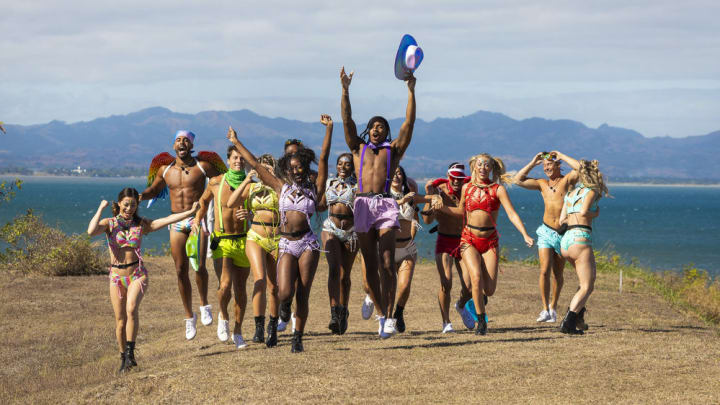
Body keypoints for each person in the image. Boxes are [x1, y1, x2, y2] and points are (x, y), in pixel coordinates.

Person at [227, 114, 332, 352]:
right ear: (287, 169)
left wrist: (329, 129)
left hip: (307, 244)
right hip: (285, 243)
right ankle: (284, 309)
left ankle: (297, 337)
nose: (295, 171)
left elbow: (324, 157)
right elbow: (254, 164)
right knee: (284, 292)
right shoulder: (280, 187)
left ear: (305, 167)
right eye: (291, 168)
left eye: (299, 167)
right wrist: (236, 141)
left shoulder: (315, 188)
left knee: (303, 295)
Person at [339, 66, 418, 338]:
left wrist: (411, 91)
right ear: (368, 131)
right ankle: (382, 314)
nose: (377, 129)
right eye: (373, 126)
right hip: (361, 206)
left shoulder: (392, 151)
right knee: (370, 265)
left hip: (385, 204)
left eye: (381, 126)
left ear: (386, 132)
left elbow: (409, 124)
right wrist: (345, 90)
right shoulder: (357, 148)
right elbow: (347, 121)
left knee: (387, 261)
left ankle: (391, 316)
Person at [87, 188, 198, 373]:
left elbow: (164, 221)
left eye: (133, 205)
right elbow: (91, 231)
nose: (129, 208)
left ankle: (131, 352)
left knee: (131, 309)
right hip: (116, 278)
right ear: (120, 203)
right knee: (120, 320)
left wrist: (190, 213)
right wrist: (101, 208)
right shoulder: (110, 224)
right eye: (126, 204)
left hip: (138, 274)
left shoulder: (140, 224)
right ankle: (124, 358)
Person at [140, 130, 225, 340]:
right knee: (180, 270)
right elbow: (153, 190)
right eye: (178, 140)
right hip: (176, 221)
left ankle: (204, 303)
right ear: (173, 146)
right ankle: (189, 317)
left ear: (191, 144)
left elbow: (222, 184)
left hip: (198, 219)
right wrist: (138, 197)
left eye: (186, 140)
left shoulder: (202, 167)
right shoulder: (165, 170)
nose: (182, 142)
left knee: (199, 265)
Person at [441, 153, 534, 335]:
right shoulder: (466, 188)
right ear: (474, 166)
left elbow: (512, 213)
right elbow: (461, 211)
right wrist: (442, 208)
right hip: (468, 239)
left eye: (487, 165)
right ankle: (481, 321)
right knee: (475, 278)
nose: (483, 168)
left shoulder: (498, 189)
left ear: (492, 168)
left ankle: (477, 299)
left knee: (489, 290)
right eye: (480, 164)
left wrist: (525, 234)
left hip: (490, 241)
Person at [193, 146, 252, 349]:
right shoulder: (216, 182)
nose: (239, 161)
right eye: (235, 158)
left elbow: (261, 210)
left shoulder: (251, 184)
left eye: (242, 158)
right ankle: (223, 317)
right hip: (222, 240)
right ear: (228, 160)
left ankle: (238, 331)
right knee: (225, 285)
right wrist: (198, 219)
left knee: (241, 290)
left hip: (244, 240)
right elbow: (203, 201)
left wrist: (250, 216)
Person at [514, 151, 580, 323]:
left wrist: (561, 155)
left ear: (558, 165)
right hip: (545, 231)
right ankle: (544, 309)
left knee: (558, 273)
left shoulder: (567, 181)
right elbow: (517, 180)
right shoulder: (541, 183)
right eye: (544, 166)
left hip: (562, 233)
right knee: (544, 270)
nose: (546, 168)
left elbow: (579, 168)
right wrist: (532, 161)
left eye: (549, 165)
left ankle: (553, 306)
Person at [226, 154, 282, 347]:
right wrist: (247, 180)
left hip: (276, 237)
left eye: (268, 169)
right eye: (261, 169)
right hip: (256, 236)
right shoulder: (251, 187)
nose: (264, 173)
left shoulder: (280, 187)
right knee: (259, 280)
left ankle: (272, 326)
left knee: (274, 286)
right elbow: (231, 202)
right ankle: (259, 326)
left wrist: (276, 179)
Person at [558, 160, 609, 334]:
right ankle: (568, 322)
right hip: (580, 238)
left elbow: (561, 221)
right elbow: (584, 212)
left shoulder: (571, 193)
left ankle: (578, 315)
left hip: (566, 241)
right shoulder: (591, 191)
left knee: (585, 281)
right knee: (587, 285)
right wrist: (596, 213)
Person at [423, 162, 474, 332]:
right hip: (444, 239)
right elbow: (427, 221)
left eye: (460, 178)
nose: (457, 182)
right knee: (446, 283)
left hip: (463, 240)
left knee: (469, 286)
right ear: (448, 176)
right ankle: (446, 322)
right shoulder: (439, 191)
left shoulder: (467, 190)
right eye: (454, 178)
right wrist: (430, 197)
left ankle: (460, 305)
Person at [318, 153, 358, 335]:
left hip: (351, 231)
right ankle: (334, 312)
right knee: (333, 268)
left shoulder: (358, 185)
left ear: (352, 166)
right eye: (340, 163)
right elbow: (320, 204)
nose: (343, 166)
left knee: (344, 276)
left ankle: (343, 310)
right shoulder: (329, 183)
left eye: (347, 164)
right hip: (331, 227)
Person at [388, 166, 420, 333]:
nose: (396, 176)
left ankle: (398, 313)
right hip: (388, 249)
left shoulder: (410, 195)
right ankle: (386, 318)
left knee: (405, 285)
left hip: (407, 247)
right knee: (389, 287)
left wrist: (434, 199)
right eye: (393, 173)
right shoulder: (384, 195)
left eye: (399, 172)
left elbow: (416, 218)